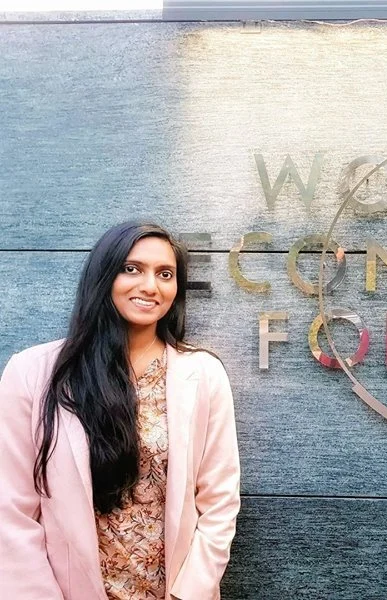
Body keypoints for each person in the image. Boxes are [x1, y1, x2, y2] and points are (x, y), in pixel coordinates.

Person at [0, 221, 241, 600]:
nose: (150, 286)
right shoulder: (33, 373)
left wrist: (188, 593)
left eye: (165, 274)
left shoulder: (203, 374)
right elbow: (10, 509)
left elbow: (219, 500)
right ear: (103, 275)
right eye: (132, 269)